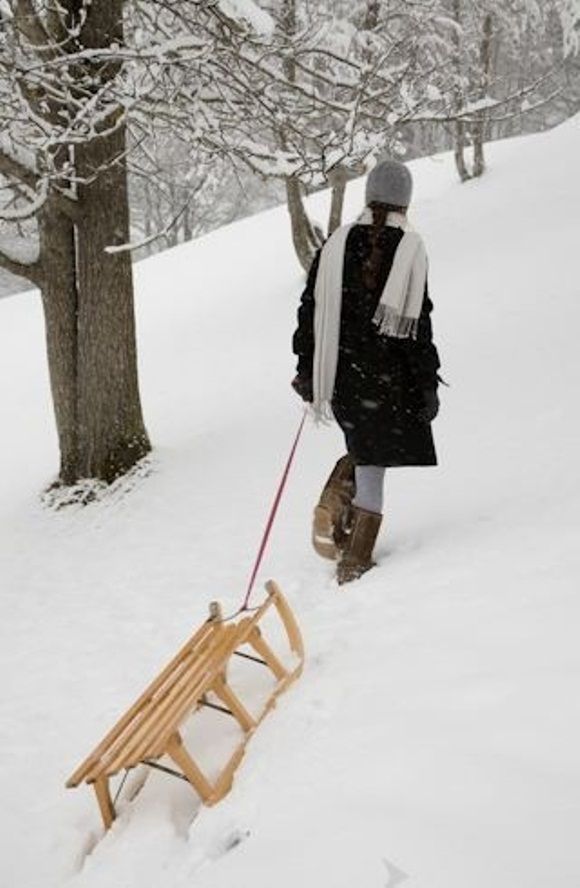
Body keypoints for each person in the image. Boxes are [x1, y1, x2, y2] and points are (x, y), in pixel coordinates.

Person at [291, 159, 442, 585]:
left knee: (366, 444)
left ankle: (339, 496)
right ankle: (354, 557)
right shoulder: (410, 249)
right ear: (405, 203)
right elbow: (418, 328)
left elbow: (309, 312)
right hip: (389, 376)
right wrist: (427, 384)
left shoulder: (334, 245)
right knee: (375, 454)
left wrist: (306, 368)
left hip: (341, 373)